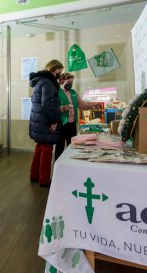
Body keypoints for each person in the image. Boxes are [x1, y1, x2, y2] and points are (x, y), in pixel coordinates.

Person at [29, 59, 64, 187]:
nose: (60, 75)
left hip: (38, 121)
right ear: (53, 71)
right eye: (59, 72)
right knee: (47, 150)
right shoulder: (48, 83)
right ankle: (44, 180)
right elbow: (48, 105)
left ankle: (34, 175)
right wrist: (54, 121)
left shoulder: (40, 81)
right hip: (46, 122)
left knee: (39, 148)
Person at [54, 73, 98, 160]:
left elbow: (81, 105)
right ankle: (58, 164)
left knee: (72, 145)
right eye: (68, 82)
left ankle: (70, 162)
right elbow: (53, 108)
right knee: (60, 146)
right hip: (62, 123)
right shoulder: (57, 92)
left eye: (72, 82)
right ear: (61, 81)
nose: (70, 84)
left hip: (72, 123)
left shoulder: (73, 93)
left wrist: (92, 106)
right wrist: (64, 108)